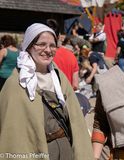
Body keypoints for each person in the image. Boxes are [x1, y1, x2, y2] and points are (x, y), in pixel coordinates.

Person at [0, 23, 94, 160]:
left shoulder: (59, 77)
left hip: (66, 152)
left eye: (52, 45)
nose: (48, 50)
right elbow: (12, 132)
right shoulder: (16, 83)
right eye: (41, 44)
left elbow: (75, 120)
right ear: (29, 46)